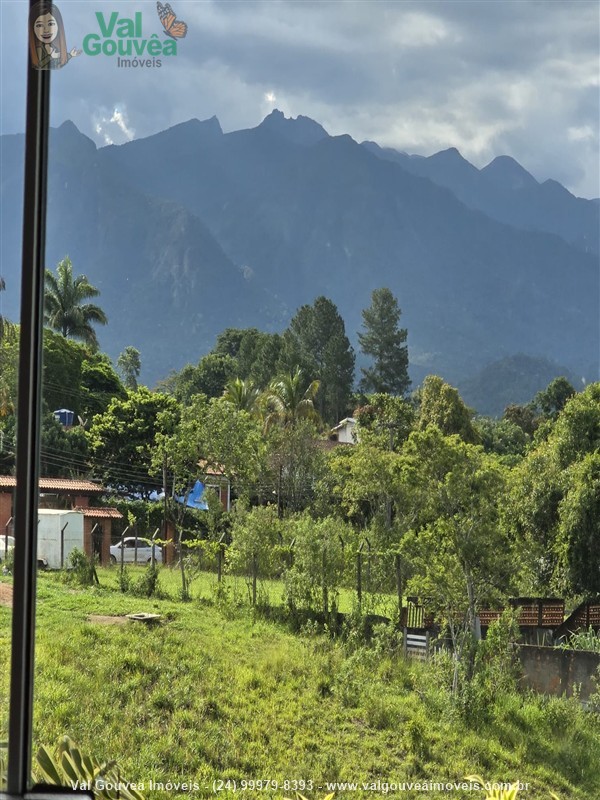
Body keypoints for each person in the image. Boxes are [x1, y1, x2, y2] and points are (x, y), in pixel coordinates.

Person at [29, 1, 80, 70]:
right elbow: (38, 66)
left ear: (58, 26)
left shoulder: (54, 46)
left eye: (50, 24)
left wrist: (70, 55)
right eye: (40, 25)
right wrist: (50, 56)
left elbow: (58, 65)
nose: (46, 30)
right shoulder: (37, 49)